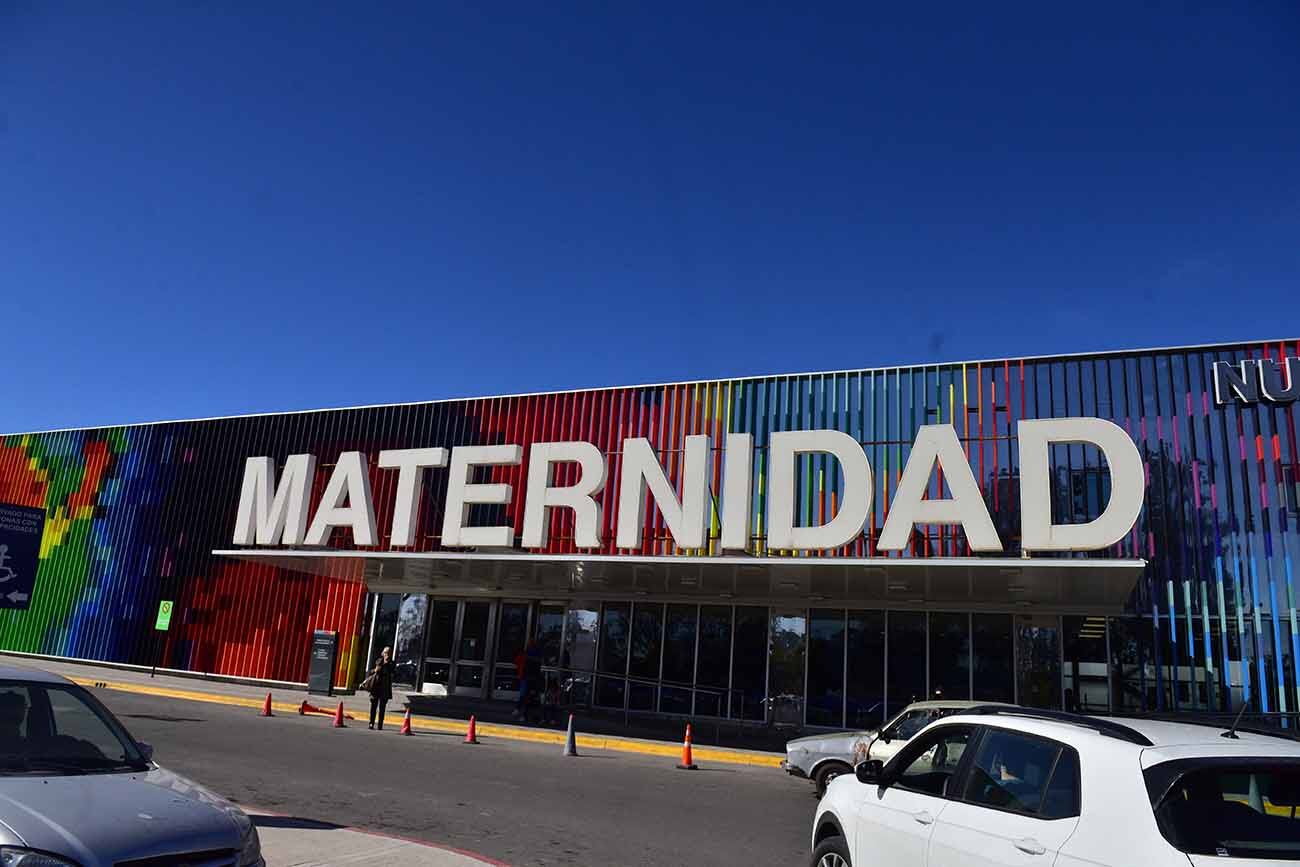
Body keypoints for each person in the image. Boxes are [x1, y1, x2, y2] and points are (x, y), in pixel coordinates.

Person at [365, 646, 396, 730]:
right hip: (376, 687)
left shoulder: (392, 663)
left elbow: (392, 672)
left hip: (385, 688)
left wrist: (386, 663)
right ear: (383, 653)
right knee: (373, 706)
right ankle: (371, 723)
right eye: (386, 653)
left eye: (389, 653)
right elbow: (371, 672)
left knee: (382, 708)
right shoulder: (378, 661)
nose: (387, 655)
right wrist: (375, 670)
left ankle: (380, 724)